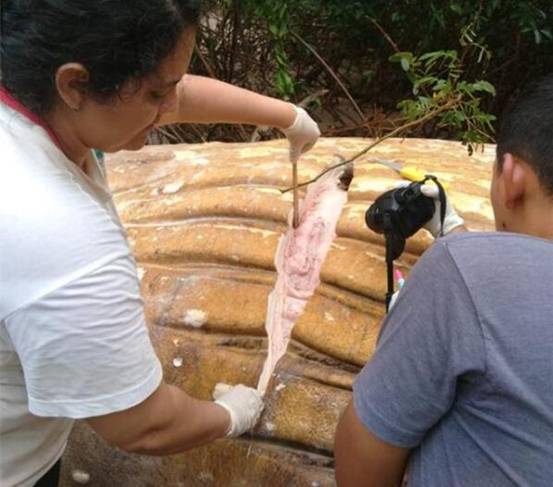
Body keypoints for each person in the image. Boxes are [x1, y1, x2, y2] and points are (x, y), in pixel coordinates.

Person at [0, 1, 320, 486]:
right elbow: (141, 422)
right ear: (74, 84)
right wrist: (229, 415)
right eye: (155, 94)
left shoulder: (27, 84)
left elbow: (169, 91)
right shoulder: (61, 233)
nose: (169, 108)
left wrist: (287, 117)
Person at [335, 74, 553, 487]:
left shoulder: (459, 272)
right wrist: (451, 229)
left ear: (512, 177)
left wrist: (440, 291)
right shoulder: (469, 272)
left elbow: (360, 467)